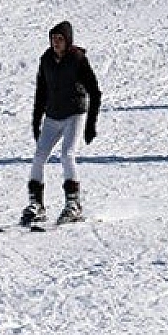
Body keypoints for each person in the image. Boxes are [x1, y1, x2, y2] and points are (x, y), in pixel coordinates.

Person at [22, 22, 102, 227]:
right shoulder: (46, 60)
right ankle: (36, 205)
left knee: (67, 154)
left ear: (68, 40)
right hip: (52, 116)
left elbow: (94, 91)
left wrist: (91, 123)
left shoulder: (77, 59)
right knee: (39, 157)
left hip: (75, 114)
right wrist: (36, 121)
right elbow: (41, 92)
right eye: (53, 39)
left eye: (60, 39)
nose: (56, 43)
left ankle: (73, 204)